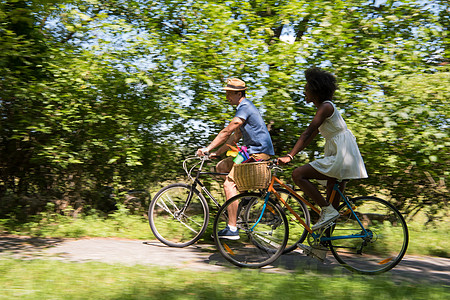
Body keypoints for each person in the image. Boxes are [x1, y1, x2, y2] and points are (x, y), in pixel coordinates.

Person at [278, 67, 368, 231]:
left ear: (315, 90)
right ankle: (321, 246)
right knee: (332, 210)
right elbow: (309, 138)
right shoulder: (323, 109)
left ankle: (326, 211)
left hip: (342, 156)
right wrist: (293, 153)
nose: (304, 91)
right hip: (342, 155)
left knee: (298, 174)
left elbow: (307, 133)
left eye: (307, 88)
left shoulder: (326, 107)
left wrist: (289, 156)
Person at [197, 78, 275, 239]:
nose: (227, 97)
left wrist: (207, 148)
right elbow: (235, 137)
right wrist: (217, 153)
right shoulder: (244, 108)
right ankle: (242, 200)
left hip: (257, 154)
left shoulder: (245, 107)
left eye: (229, 94)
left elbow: (227, 131)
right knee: (221, 167)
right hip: (248, 152)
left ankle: (232, 228)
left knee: (228, 184)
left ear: (239, 93)